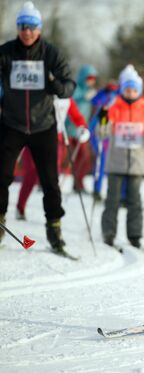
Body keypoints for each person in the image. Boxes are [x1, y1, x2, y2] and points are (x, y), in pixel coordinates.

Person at [0, 2, 75, 252]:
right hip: (12, 124)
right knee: (2, 176)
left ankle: (54, 230)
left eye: (32, 27)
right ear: (18, 28)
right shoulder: (7, 52)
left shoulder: (51, 54)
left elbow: (69, 85)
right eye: (23, 27)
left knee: (50, 182)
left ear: (39, 29)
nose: (27, 32)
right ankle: (0, 223)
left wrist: (57, 87)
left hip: (43, 126)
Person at [99, 65, 144, 249]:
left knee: (134, 201)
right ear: (122, 89)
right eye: (127, 89)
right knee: (112, 200)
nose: (130, 92)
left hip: (136, 163)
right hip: (116, 163)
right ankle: (108, 232)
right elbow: (102, 132)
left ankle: (135, 235)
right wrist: (103, 119)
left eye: (134, 89)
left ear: (139, 90)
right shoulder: (114, 106)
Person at [16, 98, 89, 220]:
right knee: (31, 173)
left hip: (56, 138)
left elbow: (76, 116)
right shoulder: (43, 92)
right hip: (33, 135)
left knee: (53, 175)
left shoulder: (66, 98)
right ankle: (20, 207)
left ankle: (54, 212)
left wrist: (82, 127)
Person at [68, 64, 97, 193]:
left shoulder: (90, 91)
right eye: (88, 78)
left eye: (93, 78)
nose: (91, 81)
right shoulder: (76, 88)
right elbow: (72, 98)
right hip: (70, 129)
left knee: (84, 158)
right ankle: (44, 183)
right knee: (60, 158)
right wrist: (84, 96)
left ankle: (78, 183)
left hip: (82, 131)